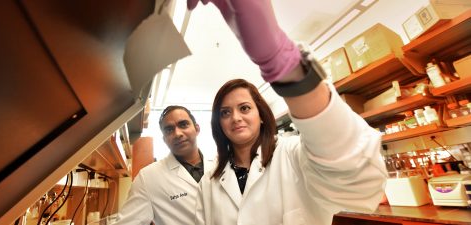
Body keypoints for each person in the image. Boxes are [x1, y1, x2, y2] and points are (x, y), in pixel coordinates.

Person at [187, 1, 387, 225]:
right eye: (225, 113)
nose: (235, 118)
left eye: (244, 108)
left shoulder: (293, 155)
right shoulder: (209, 181)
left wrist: (282, 62)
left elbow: (357, 179)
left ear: (261, 115)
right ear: (219, 124)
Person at [117, 106, 214, 225]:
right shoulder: (148, 177)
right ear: (164, 139)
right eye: (169, 130)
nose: (177, 133)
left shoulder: (222, 165)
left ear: (197, 128)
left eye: (183, 125)